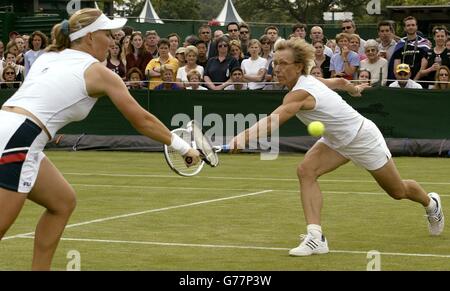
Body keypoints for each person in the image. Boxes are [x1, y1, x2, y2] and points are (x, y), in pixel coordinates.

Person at [0, 8, 200, 270]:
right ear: (90, 37)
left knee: (62, 202)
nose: (113, 40)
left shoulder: (49, 56)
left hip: (9, 128)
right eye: (107, 34)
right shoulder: (98, 72)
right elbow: (142, 120)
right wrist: (184, 147)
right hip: (20, 139)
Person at [229, 38, 444, 257]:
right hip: (336, 141)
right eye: (275, 63)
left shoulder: (300, 92)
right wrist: (353, 88)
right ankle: (316, 237)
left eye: (284, 63)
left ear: (299, 66)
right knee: (306, 171)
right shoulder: (309, 80)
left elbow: (271, 122)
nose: (278, 69)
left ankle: (431, 203)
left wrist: (243, 137)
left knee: (397, 191)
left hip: (362, 139)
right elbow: (338, 83)